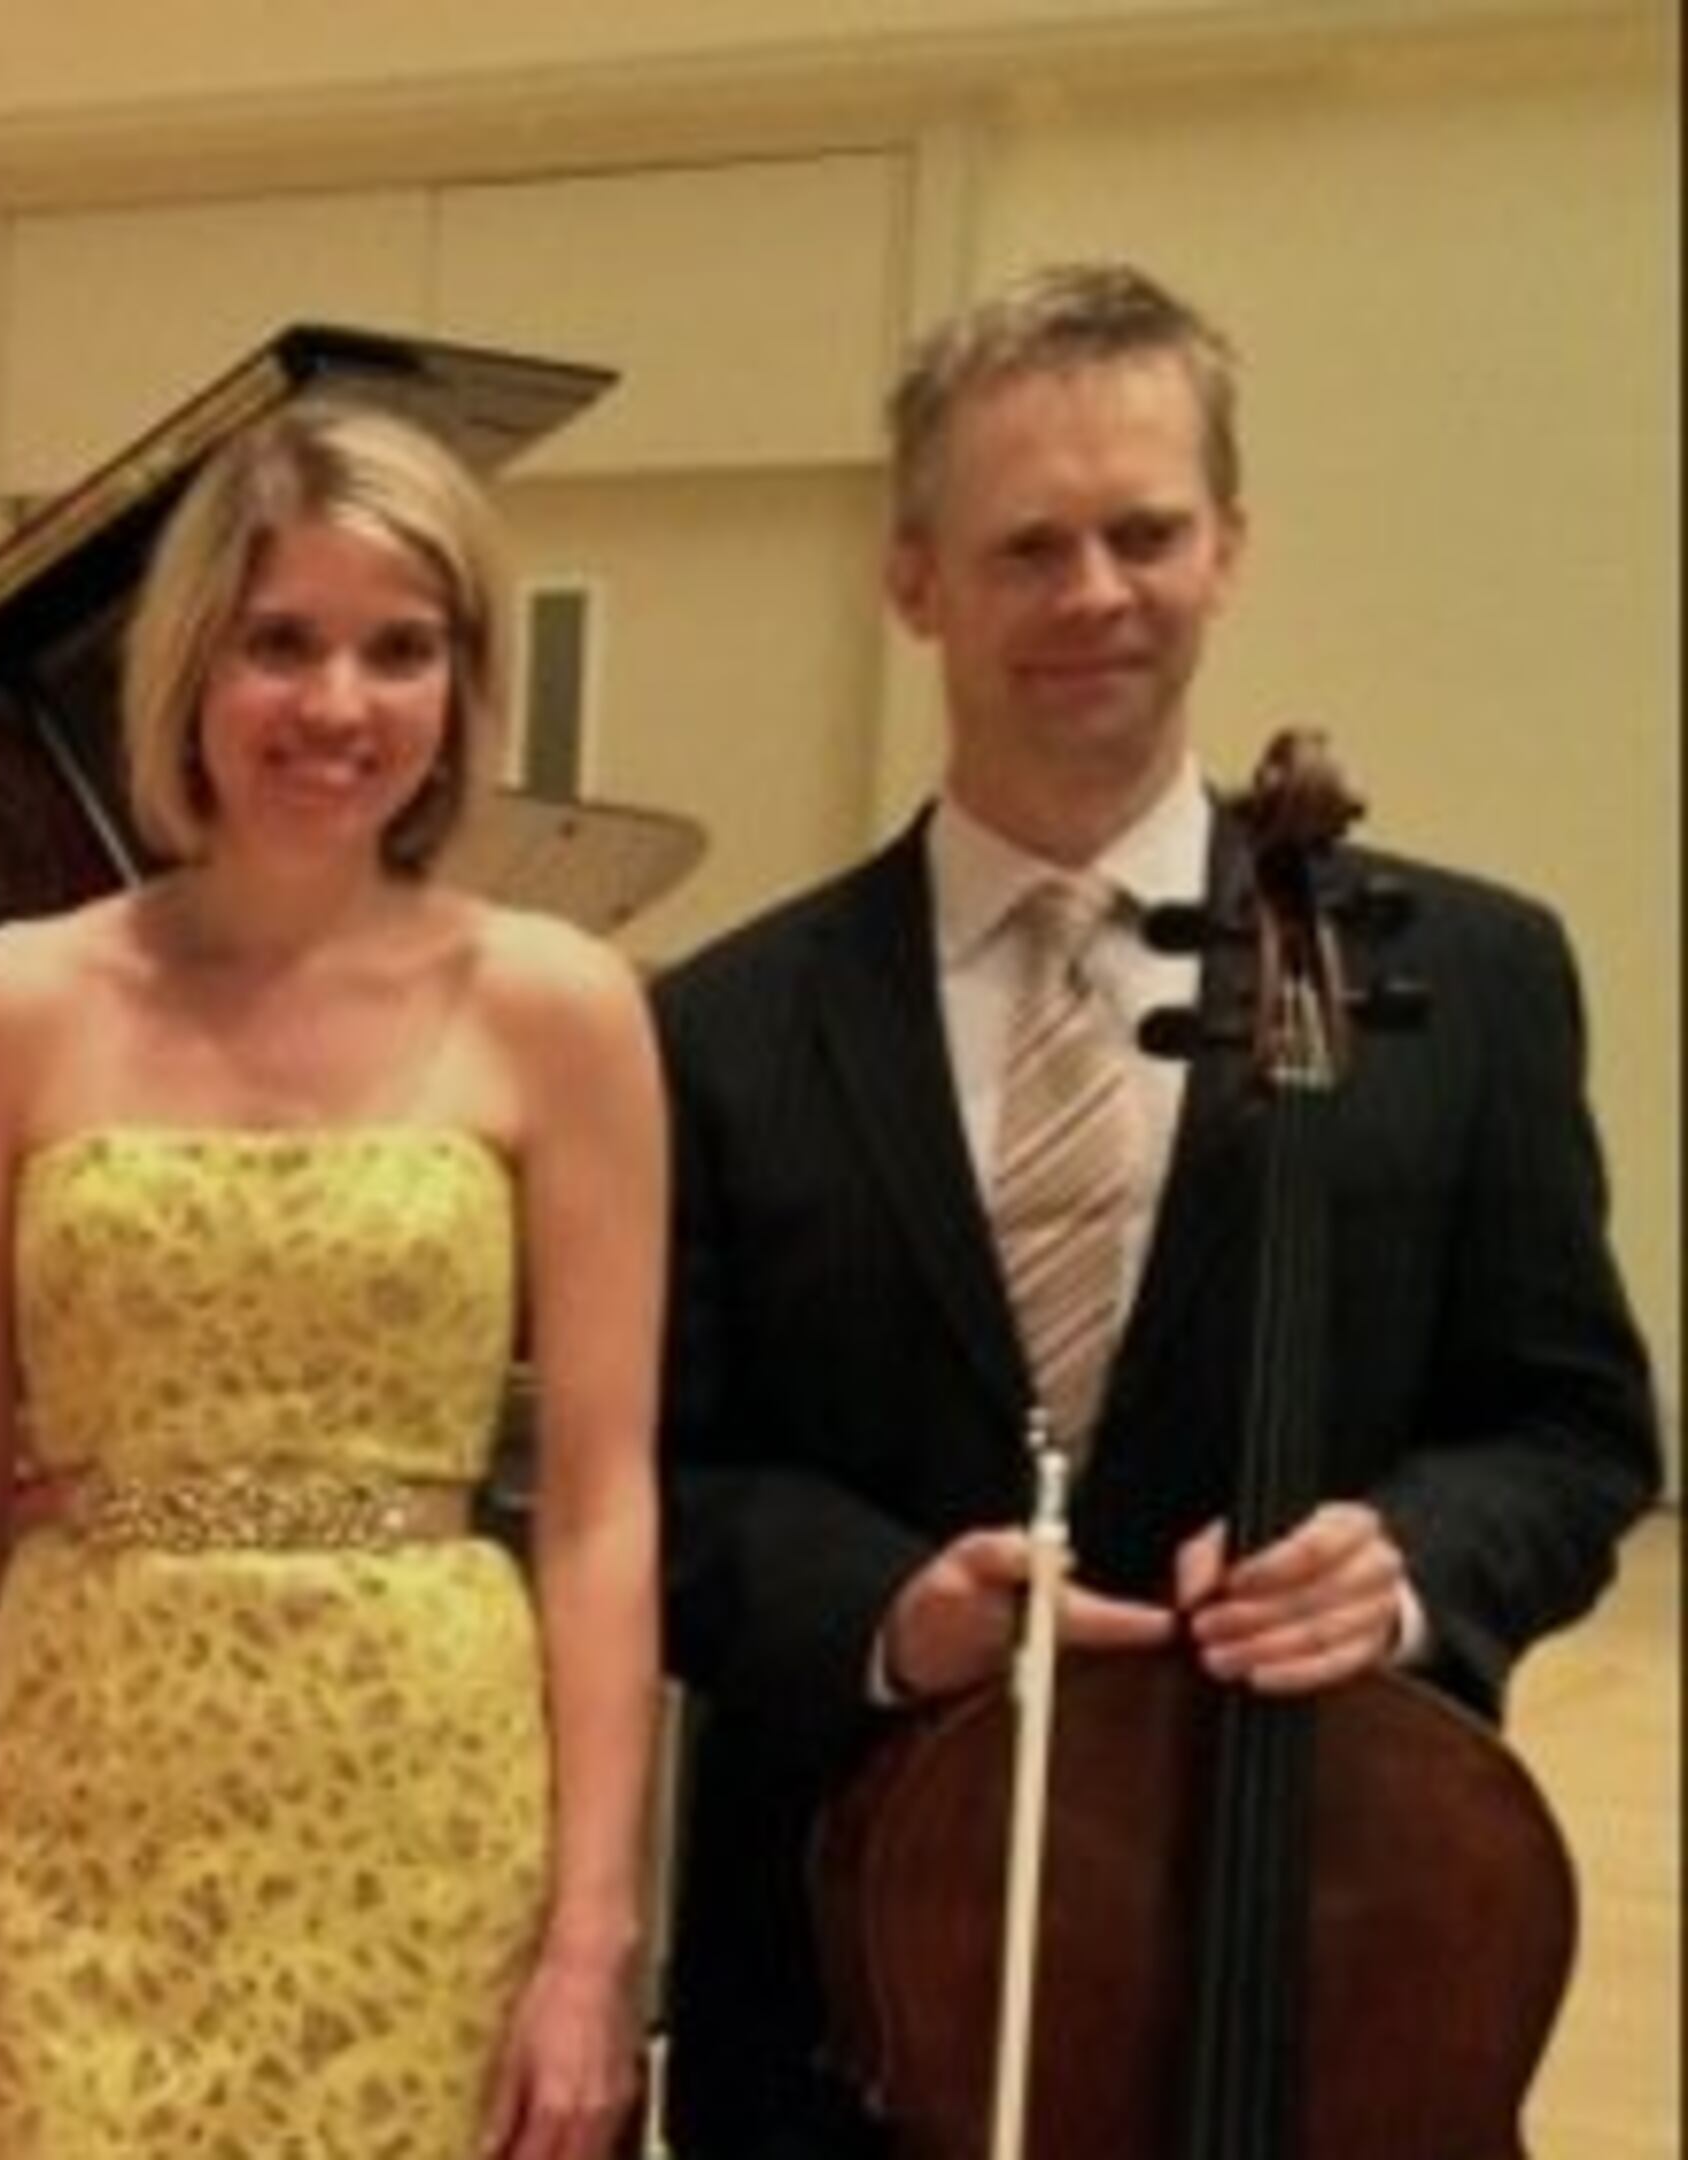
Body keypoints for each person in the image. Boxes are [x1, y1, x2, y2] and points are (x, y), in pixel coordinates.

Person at [652, 260, 1663, 2158]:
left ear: (1231, 547)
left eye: (1147, 531)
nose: (1095, 595)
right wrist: (881, 1608)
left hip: (1330, 1937)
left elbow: (1572, 1426)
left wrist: (1413, 1560)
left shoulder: (1479, 975)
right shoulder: (721, 1024)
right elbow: (659, 1477)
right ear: (914, 580)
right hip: (853, 1977)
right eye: (1028, 546)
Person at [0, 396, 663, 2159]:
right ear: (190, 670)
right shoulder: (7, 1007)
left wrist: (594, 1933)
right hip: (86, 1798)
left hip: (421, 1808)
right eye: (281, 643)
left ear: (461, 687)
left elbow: (600, 1505)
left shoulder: (562, 1009)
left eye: (401, 650)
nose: (338, 706)